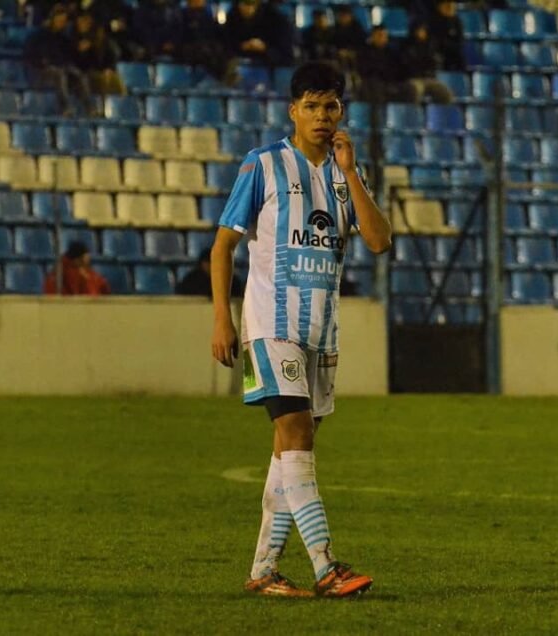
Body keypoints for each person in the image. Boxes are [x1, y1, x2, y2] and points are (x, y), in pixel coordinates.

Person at [211, 62, 391, 597]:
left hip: (321, 331)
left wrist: (353, 172)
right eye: (311, 106)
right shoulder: (262, 164)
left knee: (290, 450)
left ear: (341, 112)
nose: (321, 115)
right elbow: (223, 245)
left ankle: (263, 570)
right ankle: (325, 565)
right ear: (292, 110)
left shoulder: (344, 173)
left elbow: (379, 241)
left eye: (330, 106)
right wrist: (222, 314)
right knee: (295, 437)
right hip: (271, 323)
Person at [23, 5, 94, 116]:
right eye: (59, 20)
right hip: (41, 72)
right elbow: (30, 55)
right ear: (53, 19)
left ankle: (90, 108)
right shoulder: (39, 36)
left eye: (64, 21)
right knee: (59, 73)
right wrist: (42, 63)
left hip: (61, 70)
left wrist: (81, 51)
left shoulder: (63, 39)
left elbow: (71, 59)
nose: (61, 23)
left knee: (79, 74)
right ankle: (65, 108)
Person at [177, 0, 236, 84]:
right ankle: (223, 76)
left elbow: (214, 34)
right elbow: (182, 35)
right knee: (205, 51)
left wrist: (218, 21)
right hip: (187, 48)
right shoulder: (182, 14)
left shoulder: (207, 14)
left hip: (206, 45)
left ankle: (228, 71)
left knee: (219, 48)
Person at [223, 0, 294, 67]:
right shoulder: (232, 16)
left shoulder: (276, 19)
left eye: (252, 4)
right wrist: (241, 46)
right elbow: (227, 47)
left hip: (269, 66)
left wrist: (265, 48)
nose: (248, 9)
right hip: (239, 65)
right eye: (245, 3)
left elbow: (286, 56)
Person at [356, 26, 416, 104]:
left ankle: (406, 114)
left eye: (384, 35)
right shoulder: (365, 52)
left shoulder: (392, 52)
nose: (382, 38)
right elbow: (365, 71)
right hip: (374, 82)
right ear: (373, 37)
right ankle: (379, 115)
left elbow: (401, 68)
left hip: (392, 81)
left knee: (410, 88)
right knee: (375, 87)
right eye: (379, 35)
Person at [71, 12, 125, 96]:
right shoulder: (75, 39)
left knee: (116, 79)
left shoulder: (100, 40)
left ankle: (122, 104)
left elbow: (112, 55)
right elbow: (78, 63)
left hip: (101, 71)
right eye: (81, 22)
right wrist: (82, 52)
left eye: (86, 22)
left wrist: (109, 68)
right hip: (85, 74)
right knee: (102, 79)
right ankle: (103, 105)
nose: (83, 25)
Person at [400, 23, 453, 104]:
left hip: (429, 79)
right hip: (414, 79)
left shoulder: (431, 45)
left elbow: (435, 63)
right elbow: (408, 65)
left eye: (423, 30)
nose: (421, 33)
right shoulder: (406, 46)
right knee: (415, 90)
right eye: (419, 30)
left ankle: (442, 115)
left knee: (445, 93)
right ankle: (416, 114)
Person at [44, 241, 111, 295]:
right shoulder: (66, 273)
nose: (88, 262)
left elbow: (103, 287)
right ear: (77, 260)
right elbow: (90, 295)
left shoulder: (85, 272)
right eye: (85, 259)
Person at [177, 248, 243, 297]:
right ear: (201, 263)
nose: (209, 265)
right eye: (207, 262)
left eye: (212, 262)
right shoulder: (191, 280)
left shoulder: (229, 279)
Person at [428, 0, 465, 72]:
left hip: (454, 54)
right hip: (439, 54)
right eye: (447, 4)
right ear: (440, 7)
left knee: (460, 58)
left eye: (452, 4)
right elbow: (435, 42)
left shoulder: (457, 22)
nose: (450, 7)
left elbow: (460, 43)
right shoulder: (433, 21)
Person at [330, 4, 367, 71]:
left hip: (356, 57)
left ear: (350, 16)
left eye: (345, 15)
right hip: (339, 57)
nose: (343, 18)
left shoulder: (358, 29)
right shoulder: (335, 29)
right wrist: (339, 51)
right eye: (340, 16)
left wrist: (351, 52)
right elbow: (332, 44)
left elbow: (363, 46)